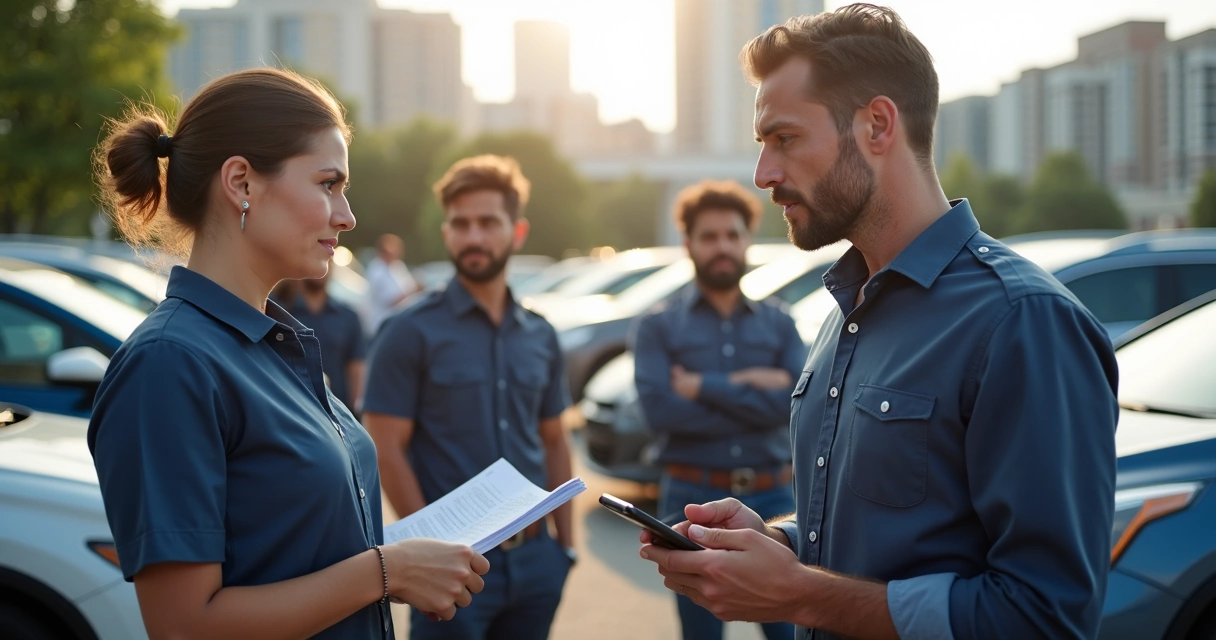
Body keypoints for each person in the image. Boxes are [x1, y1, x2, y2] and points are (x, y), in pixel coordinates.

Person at [638, 5, 1119, 640]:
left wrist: (801, 595)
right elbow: (874, 537)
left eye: (784, 139)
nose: (763, 175)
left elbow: (1044, 617)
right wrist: (780, 541)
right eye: (762, 145)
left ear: (877, 125)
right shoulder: (845, 311)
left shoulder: (1023, 322)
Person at [88, 68, 488, 640]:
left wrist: (400, 567)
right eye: (328, 184)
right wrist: (386, 571)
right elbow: (184, 627)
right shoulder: (170, 364)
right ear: (241, 183)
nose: (347, 215)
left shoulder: (276, 344)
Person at [363, 155, 576, 640]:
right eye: (460, 224)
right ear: (447, 233)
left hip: (537, 563)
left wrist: (564, 549)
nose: (473, 236)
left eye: (488, 222)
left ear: (517, 232)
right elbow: (386, 448)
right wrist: (430, 554)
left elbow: (554, 440)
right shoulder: (407, 332)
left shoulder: (540, 334)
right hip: (454, 568)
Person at [631, 179, 804, 640]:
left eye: (732, 234)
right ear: (688, 244)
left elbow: (792, 407)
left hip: (774, 500)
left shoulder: (780, 323)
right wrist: (756, 385)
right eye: (709, 236)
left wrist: (702, 386)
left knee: (789, 631)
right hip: (691, 498)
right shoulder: (657, 326)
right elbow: (661, 414)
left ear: (747, 240)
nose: (722, 246)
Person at [285, 270, 368, 412]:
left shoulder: (348, 316)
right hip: (293, 406)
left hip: (336, 409)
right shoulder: (282, 311)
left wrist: (354, 410)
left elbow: (356, 366)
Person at [365, 232, 421, 335]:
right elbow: (389, 300)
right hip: (382, 325)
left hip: (399, 324)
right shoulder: (376, 270)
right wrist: (413, 290)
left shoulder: (398, 266)